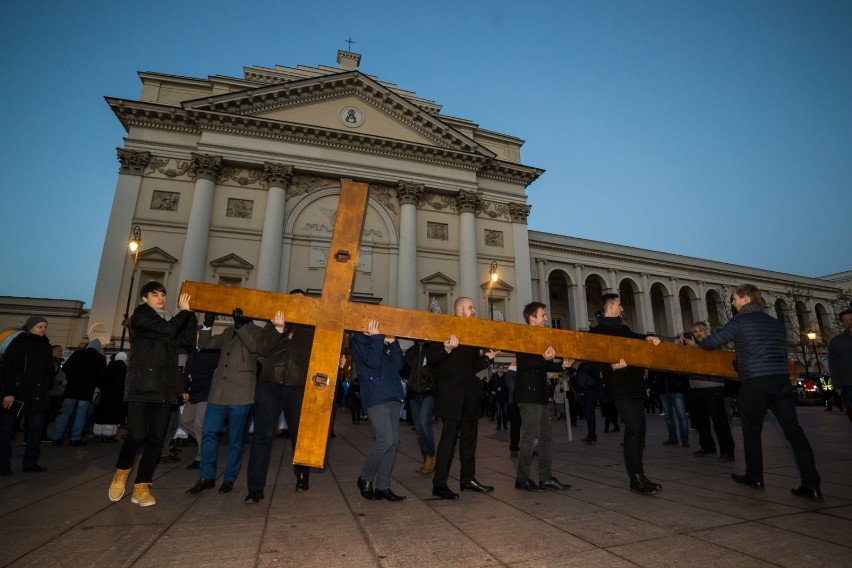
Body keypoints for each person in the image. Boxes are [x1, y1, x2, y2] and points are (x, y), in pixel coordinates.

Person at [697, 284, 821, 500]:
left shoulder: (740, 321)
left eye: (734, 298)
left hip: (755, 382)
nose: (732, 303)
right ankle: (812, 484)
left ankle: (754, 475)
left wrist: (696, 340)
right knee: (795, 433)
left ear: (746, 299)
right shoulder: (775, 324)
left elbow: (711, 343)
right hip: (781, 382)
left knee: (751, 431)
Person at [108, 281, 197, 507]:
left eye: (163, 295)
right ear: (144, 298)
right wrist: (183, 314)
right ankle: (122, 472)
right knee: (137, 435)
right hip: (141, 386)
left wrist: (191, 314)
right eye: (155, 294)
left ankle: (142, 485)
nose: (160, 298)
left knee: (156, 440)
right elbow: (167, 330)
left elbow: (186, 340)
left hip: (164, 388)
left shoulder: (169, 321)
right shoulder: (140, 318)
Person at [589, 293, 663, 495]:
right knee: (633, 427)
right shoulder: (597, 331)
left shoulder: (624, 329)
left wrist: (648, 338)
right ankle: (635, 477)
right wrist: (610, 366)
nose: (622, 309)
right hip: (619, 386)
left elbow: (635, 339)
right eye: (619, 305)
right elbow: (592, 360)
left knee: (640, 429)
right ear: (611, 307)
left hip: (635, 384)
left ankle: (639, 475)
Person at [245, 290, 314, 504]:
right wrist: (278, 329)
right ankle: (255, 488)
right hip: (270, 385)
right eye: (293, 300)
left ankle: (302, 474)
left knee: (299, 435)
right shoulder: (273, 323)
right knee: (263, 436)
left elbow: (321, 352)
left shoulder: (311, 327)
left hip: (297, 386)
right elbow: (260, 348)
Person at [427, 297, 497, 500]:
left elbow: (473, 366)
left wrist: (487, 359)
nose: (474, 310)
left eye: (474, 307)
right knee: (448, 440)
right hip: (450, 395)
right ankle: (439, 483)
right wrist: (447, 348)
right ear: (459, 311)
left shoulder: (473, 333)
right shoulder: (443, 328)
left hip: (470, 395)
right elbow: (431, 358)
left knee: (469, 440)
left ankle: (468, 479)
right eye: (471, 307)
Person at [187, 308, 260, 495]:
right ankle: (206, 477)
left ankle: (229, 478)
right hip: (218, 392)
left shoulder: (257, 331)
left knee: (235, 438)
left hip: (242, 393)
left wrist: (241, 326)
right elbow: (205, 343)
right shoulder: (227, 332)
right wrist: (208, 324)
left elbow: (254, 348)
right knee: (208, 432)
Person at [514, 301, 574, 492]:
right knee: (531, 437)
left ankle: (545, 477)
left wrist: (562, 366)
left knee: (546, 437)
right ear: (532, 317)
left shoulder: (542, 336)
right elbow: (525, 363)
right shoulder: (522, 336)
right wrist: (544, 359)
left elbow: (545, 365)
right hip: (528, 395)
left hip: (539, 395)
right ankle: (522, 478)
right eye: (543, 315)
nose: (547, 318)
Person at [352, 320, 407, 501]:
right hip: (375, 396)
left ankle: (383, 486)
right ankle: (365, 478)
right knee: (385, 439)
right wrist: (376, 338)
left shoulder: (382, 342)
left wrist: (394, 343)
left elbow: (399, 366)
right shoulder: (359, 339)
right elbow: (372, 362)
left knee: (394, 442)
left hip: (393, 395)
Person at [0, 316, 54, 475]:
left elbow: (49, 370)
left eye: (45, 326)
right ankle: (3, 465)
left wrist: (46, 383)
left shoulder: (46, 347)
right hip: (16, 395)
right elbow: (7, 369)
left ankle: (30, 463)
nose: (43, 329)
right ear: (30, 328)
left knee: (35, 431)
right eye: (39, 326)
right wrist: (8, 392)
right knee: (6, 431)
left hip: (37, 396)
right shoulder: (18, 344)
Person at [679, 322, 735, 462]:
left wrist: (693, 345)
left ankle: (727, 451)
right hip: (695, 389)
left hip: (713, 386)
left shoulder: (713, 343)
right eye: (695, 331)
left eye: (701, 330)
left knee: (719, 421)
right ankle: (708, 447)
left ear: (706, 331)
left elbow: (708, 354)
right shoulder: (690, 346)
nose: (698, 333)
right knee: (700, 422)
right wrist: (683, 345)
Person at [52, 339, 107, 446]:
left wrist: (72, 377)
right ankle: (75, 438)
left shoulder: (77, 353)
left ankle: (56, 436)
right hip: (86, 391)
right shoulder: (100, 358)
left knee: (66, 413)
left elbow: (66, 367)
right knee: (81, 414)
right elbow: (102, 376)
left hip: (71, 389)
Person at [180, 336, 219, 469]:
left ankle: (202, 457)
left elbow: (213, 374)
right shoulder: (193, 352)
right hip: (193, 393)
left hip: (206, 393)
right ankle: (208, 444)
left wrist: (194, 378)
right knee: (185, 421)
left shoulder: (212, 351)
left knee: (198, 424)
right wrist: (184, 389)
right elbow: (186, 373)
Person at [403, 339, 437, 474]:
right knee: (418, 428)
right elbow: (404, 370)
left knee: (424, 423)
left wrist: (433, 381)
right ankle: (426, 458)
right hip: (413, 392)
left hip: (428, 391)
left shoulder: (433, 349)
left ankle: (430, 456)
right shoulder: (411, 351)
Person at [91, 352, 128, 442]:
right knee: (112, 417)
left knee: (103, 415)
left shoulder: (108, 367)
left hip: (105, 396)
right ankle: (109, 436)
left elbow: (100, 380)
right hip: (117, 397)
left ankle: (99, 435)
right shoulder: (125, 369)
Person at [653, 370, 690, 447]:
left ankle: (684, 440)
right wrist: (656, 386)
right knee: (668, 417)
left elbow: (684, 373)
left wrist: (683, 386)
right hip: (663, 391)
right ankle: (673, 438)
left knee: (682, 416)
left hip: (677, 390)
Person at [828, 306, 852, 421]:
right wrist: (837, 385)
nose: (849, 323)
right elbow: (833, 365)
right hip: (848, 384)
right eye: (845, 321)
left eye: (851, 319)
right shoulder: (837, 342)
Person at [41, 344, 66, 442]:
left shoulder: (57, 362)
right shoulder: (51, 362)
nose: (61, 352)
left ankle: (42, 434)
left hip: (54, 393)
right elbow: (50, 377)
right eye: (58, 350)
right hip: (50, 393)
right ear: (52, 351)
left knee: (47, 416)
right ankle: (41, 435)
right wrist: (61, 381)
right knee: (46, 415)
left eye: (61, 350)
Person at [573, 362, 601, 445]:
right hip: (587, 392)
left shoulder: (585, 366)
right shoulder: (587, 366)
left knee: (589, 415)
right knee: (589, 415)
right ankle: (592, 434)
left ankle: (591, 435)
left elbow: (581, 380)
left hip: (586, 393)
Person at [488, 364, 509, 429]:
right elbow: (489, 386)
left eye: (502, 368)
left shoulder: (506, 376)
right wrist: (492, 391)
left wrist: (502, 388)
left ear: (504, 369)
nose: (501, 369)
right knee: (498, 413)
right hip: (497, 397)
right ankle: (499, 426)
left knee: (505, 413)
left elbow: (508, 385)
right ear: (497, 369)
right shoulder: (494, 376)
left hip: (505, 397)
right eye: (500, 368)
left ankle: (505, 426)